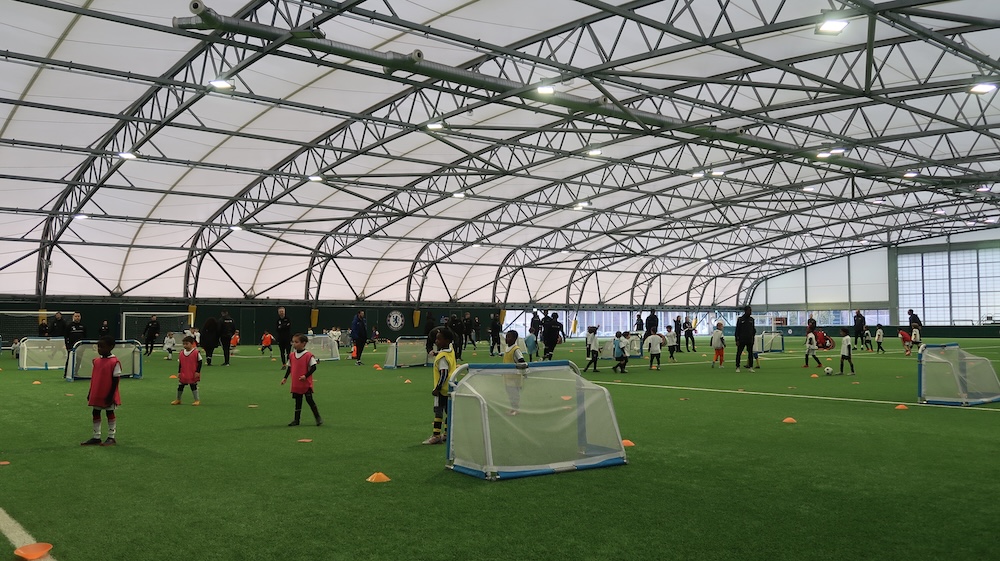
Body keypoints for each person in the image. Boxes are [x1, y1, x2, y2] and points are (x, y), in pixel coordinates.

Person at [80, 336, 121, 446]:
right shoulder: (97, 361)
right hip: (97, 393)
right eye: (98, 347)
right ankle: (96, 436)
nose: (99, 349)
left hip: (108, 393)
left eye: (102, 347)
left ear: (111, 347)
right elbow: (95, 378)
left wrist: (111, 395)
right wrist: (90, 392)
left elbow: (115, 381)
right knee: (95, 412)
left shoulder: (114, 362)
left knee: (109, 412)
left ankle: (111, 437)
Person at [280, 333, 323, 426]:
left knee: (309, 400)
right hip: (296, 383)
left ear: (304, 343)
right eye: (293, 342)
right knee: (298, 401)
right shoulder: (291, 355)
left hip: (305, 383)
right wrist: (285, 378)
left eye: (296, 342)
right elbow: (290, 368)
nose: (294, 344)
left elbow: (314, 367)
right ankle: (296, 420)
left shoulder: (308, 355)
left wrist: (306, 376)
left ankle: (318, 417)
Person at [423, 328, 456, 445]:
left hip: (442, 389)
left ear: (446, 340)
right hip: (451, 387)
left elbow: (443, 373)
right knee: (449, 411)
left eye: (439, 339)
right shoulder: (450, 350)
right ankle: (447, 434)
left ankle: (436, 435)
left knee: (438, 412)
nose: (436, 341)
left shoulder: (442, 357)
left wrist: (437, 388)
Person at [502, 330, 527, 415]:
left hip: (514, 377)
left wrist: (524, 372)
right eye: (506, 336)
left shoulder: (516, 350)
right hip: (507, 377)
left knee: (514, 394)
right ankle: (513, 408)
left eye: (509, 337)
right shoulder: (507, 348)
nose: (507, 339)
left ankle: (516, 409)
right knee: (510, 393)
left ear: (514, 339)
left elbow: (521, 360)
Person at [171, 336, 202, 405]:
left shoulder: (196, 352)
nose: (185, 345)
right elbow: (180, 363)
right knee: (180, 386)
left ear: (191, 344)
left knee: (193, 386)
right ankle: (178, 399)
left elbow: (200, 362)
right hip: (184, 373)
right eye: (184, 344)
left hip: (192, 372)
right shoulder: (182, 353)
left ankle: (197, 400)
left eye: (186, 344)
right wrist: (179, 372)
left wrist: (197, 371)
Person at [734, 306, 756, 372]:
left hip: (749, 340)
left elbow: (753, 329)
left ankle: (751, 367)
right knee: (739, 353)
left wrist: (753, 337)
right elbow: (737, 330)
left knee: (750, 354)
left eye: (751, 311)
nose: (750, 312)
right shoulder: (740, 319)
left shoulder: (751, 320)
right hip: (741, 339)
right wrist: (737, 340)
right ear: (746, 311)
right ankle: (737, 367)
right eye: (749, 310)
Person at [65, 311, 87, 375]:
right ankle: (66, 373)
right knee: (70, 360)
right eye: (76, 316)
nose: (77, 318)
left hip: (80, 347)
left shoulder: (83, 326)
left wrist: (84, 346)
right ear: (73, 317)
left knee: (78, 360)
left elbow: (85, 337)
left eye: (78, 316)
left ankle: (76, 372)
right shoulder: (69, 326)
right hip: (71, 347)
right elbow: (66, 337)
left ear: (80, 317)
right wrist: (68, 346)